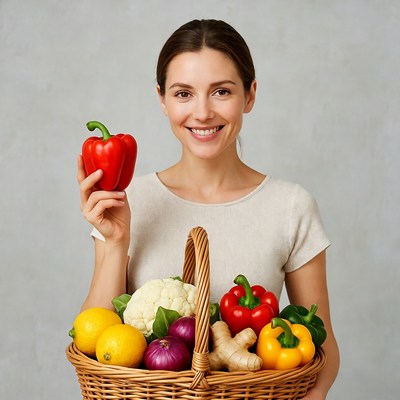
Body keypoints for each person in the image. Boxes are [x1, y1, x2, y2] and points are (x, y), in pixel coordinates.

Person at [77, 19, 339, 399]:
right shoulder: (129, 199)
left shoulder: (291, 206)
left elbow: (324, 351)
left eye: (221, 91)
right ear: (162, 99)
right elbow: (94, 345)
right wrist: (116, 242)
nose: (202, 113)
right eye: (183, 94)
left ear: (250, 95)